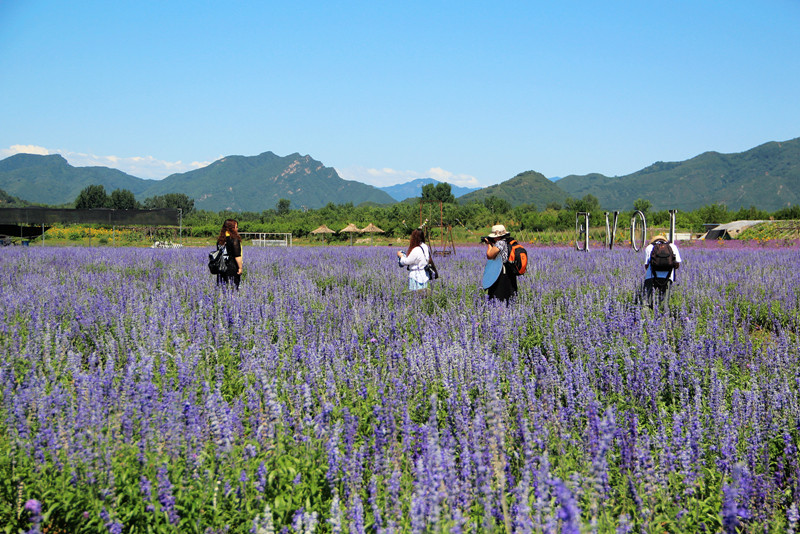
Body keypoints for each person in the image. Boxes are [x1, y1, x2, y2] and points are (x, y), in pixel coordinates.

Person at [642, 234, 682, 310]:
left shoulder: (649, 247)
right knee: (665, 301)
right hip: (667, 276)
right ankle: (664, 318)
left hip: (651, 276)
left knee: (646, 301)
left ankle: (645, 317)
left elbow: (646, 265)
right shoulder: (672, 246)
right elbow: (677, 264)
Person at [482, 224, 518, 303]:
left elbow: (490, 255)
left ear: (498, 236)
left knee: (498, 296)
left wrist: (488, 244)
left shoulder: (500, 243)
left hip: (501, 274)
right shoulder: (509, 241)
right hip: (510, 272)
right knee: (509, 296)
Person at [396, 228, 432, 293]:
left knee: (415, 297)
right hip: (424, 275)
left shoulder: (416, 249)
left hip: (416, 277)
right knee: (424, 296)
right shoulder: (425, 246)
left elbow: (407, 262)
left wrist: (401, 256)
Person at [216, 219, 243, 289]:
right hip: (232, 267)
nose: (237, 229)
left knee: (222, 289)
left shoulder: (220, 240)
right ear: (231, 228)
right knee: (233, 288)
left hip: (221, 268)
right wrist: (240, 268)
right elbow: (237, 255)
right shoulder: (234, 239)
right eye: (236, 227)